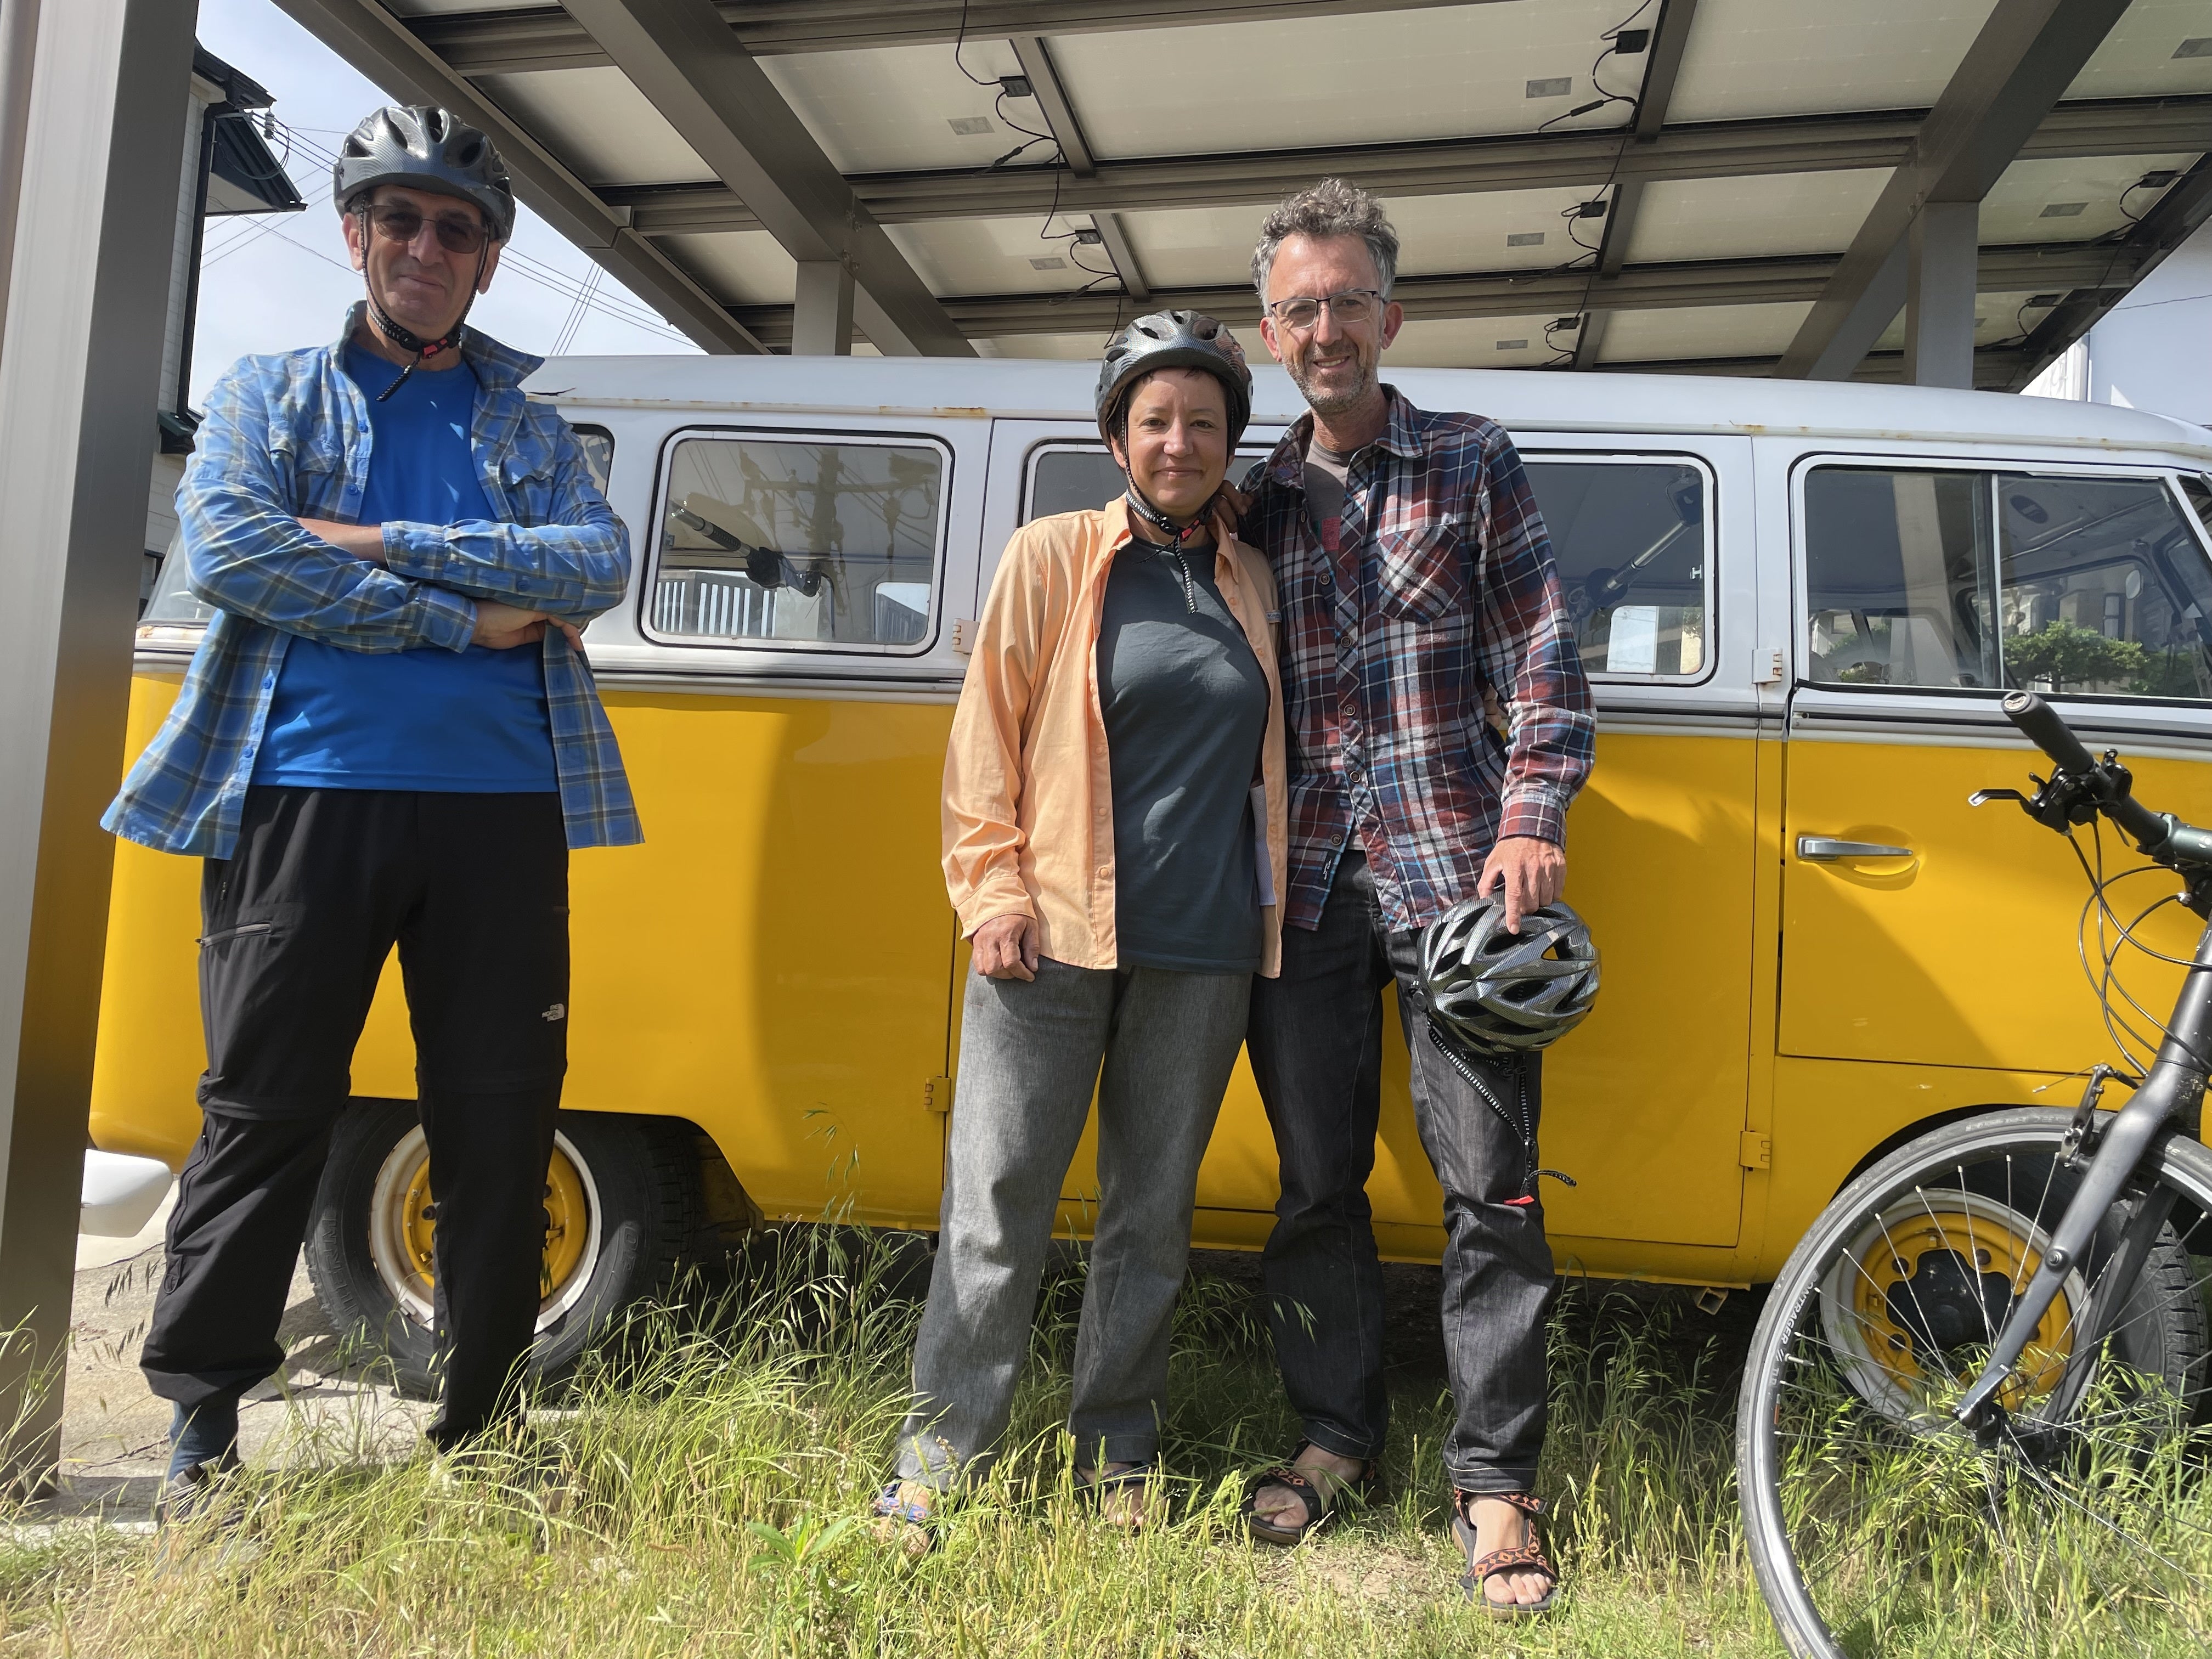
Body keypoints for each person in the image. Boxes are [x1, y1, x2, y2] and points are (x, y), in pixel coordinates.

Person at [103, 105, 640, 1517]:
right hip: (302, 796)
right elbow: (235, 550)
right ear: (356, 235)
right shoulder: (271, 391)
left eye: (456, 230)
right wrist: (466, 617)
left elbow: (594, 565)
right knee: (263, 1110)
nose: (425, 247)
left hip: (502, 811)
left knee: (501, 1120)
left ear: (488, 260)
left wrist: (379, 541)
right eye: (399, 218)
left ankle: (484, 1422)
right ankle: (202, 1432)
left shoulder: (527, 423)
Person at [1233, 179, 1594, 1617]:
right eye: (1298, 308)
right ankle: (1335, 1434)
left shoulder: (1471, 459)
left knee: (1491, 1188)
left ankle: (1497, 1482)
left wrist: (1531, 819)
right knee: (1314, 1185)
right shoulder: (1251, 501)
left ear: (1391, 315)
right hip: (1304, 888)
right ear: (1272, 333)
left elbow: (1545, 653)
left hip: (1460, 886)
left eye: (1346, 301)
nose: (1325, 328)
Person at [872, 312, 1287, 1544]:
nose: (1179, 443)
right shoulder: (1052, 555)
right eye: (1155, 421)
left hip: (1203, 947)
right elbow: (983, 738)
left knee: (1149, 1216)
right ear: (1117, 439)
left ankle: (1118, 1450)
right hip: (1046, 938)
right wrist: (990, 892)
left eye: (1203, 423)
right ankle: (937, 1457)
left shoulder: (1254, 580)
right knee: (996, 1203)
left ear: (1229, 444)